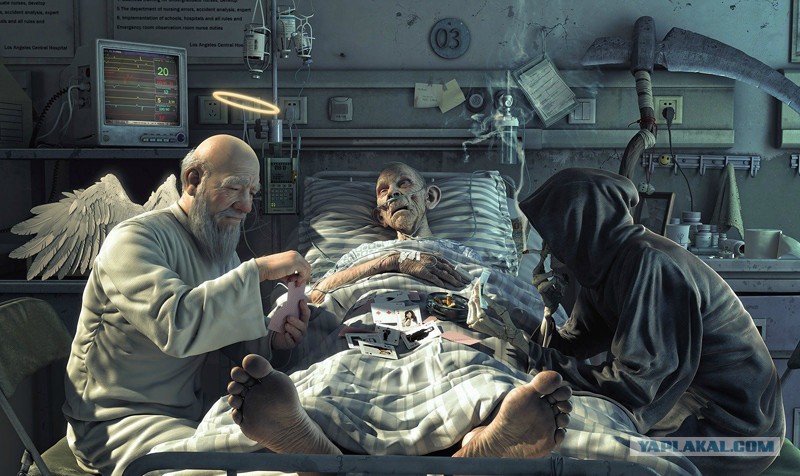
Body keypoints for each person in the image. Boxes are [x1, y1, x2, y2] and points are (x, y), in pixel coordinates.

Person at [62, 134, 313, 475]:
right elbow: (176, 324)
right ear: (193, 180)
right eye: (234, 188)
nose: (246, 206)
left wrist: (274, 340)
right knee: (237, 470)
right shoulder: (133, 240)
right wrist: (258, 270)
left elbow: (223, 333)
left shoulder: (216, 250)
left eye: (252, 193)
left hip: (185, 414)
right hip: (116, 422)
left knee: (277, 456)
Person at [518, 167, 784, 474]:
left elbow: (634, 387)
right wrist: (533, 322)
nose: (550, 250)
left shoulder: (651, 265)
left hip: (738, 432)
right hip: (691, 405)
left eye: (555, 236)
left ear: (581, 225)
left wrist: (534, 356)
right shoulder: (606, 264)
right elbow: (574, 342)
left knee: (590, 450)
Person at [226, 353, 572, 459]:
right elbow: (322, 293)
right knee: (335, 373)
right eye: (384, 203)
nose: (392, 204)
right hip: (361, 318)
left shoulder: (466, 256)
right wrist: (384, 264)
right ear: (377, 217)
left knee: (482, 377)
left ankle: (320, 461)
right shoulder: (356, 258)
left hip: (449, 322)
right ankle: (472, 449)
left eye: (403, 187)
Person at [309, 162, 471, 304]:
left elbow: (484, 290)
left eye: (404, 183)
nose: (392, 193)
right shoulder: (362, 254)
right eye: (383, 191)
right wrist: (393, 261)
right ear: (381, 216)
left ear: (429, 197)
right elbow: (317, 295)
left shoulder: (461, 252)